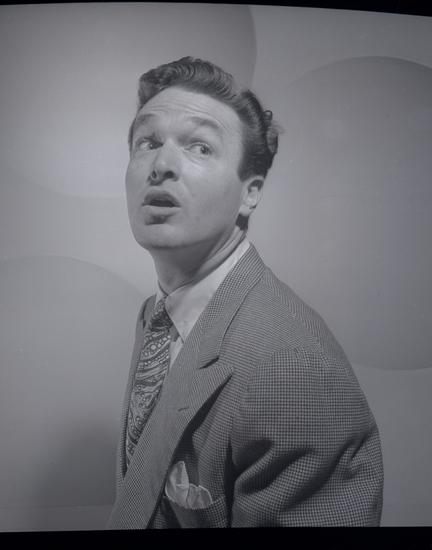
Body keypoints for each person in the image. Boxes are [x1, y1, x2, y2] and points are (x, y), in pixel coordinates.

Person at [107, 57, 383, 528]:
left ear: (250, 193)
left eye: (200, 147)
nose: (162, 166)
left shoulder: (292, 366)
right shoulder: (156, 314)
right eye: (147, 142)